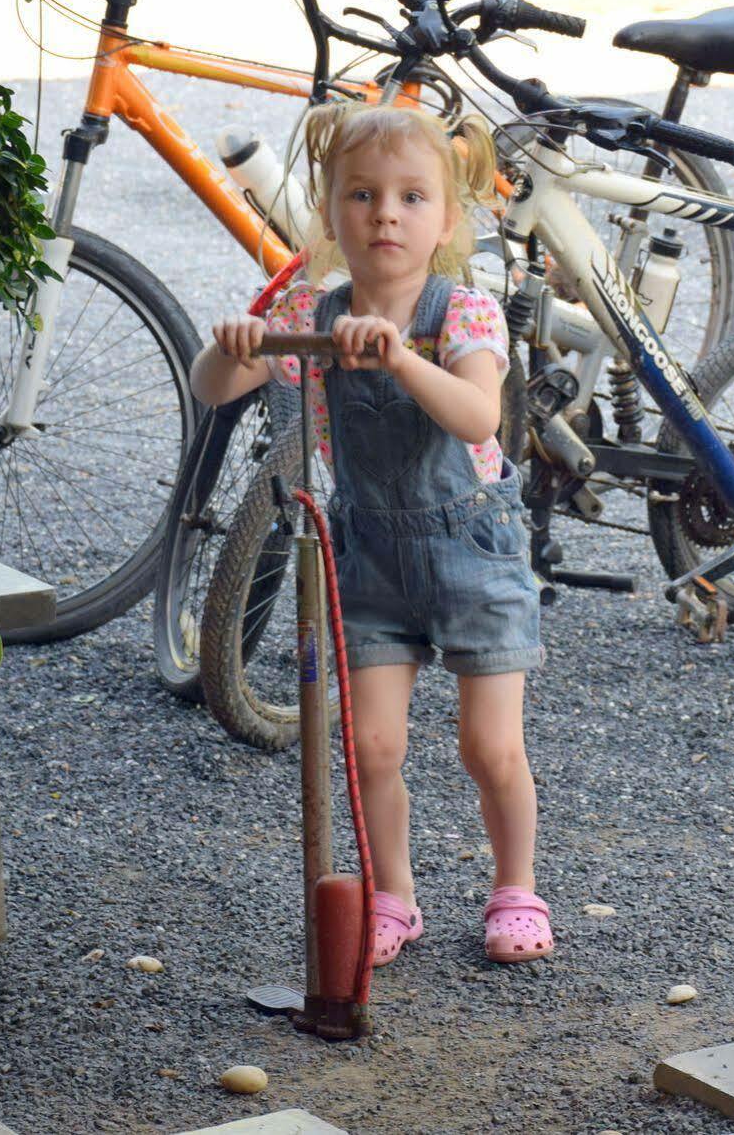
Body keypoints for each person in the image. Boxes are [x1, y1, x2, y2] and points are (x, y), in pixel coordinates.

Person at [192, 103, 551, 966]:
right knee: (370, 745)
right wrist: (238, 344)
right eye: (361, 194)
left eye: (409, 196)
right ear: (329, 213)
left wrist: (397, 355)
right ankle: (391, 895)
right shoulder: (318, 312)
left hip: (473, 550)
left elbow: (476, 412)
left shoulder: (463, 313)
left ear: (447, 221)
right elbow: (213, 387)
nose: (384, 213)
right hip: (370, 555)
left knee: (489, 745)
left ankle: (516, 889)